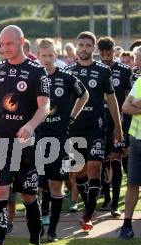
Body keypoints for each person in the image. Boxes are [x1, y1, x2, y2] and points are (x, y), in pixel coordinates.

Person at [0, 25, 50, 245]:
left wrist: (30, 126)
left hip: (27, 145)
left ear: (21, 41)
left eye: (9, 43)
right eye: (1, 44)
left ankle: (33, 244)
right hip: (0, 143)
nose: (4, 48)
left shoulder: (36, 71)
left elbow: (44, 107)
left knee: (29, 196)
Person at [65, 32, 122, 231]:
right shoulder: (69, 71)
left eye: (88, 45)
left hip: (97, 127)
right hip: (74, 128)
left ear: (93, 48)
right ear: (77, 46)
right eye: (80, 44)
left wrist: (118, 126)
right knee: (78, 171)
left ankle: (88, 215)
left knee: (94, 168)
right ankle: (88, 205)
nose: (83, 48)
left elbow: (112, 99)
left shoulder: (103, 71)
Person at [36, 38, 88, 241]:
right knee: (39, 186)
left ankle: (52, 230)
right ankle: (40, 225)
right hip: (38, 138)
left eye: (50, 55)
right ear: (38, 56)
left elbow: (84, 95)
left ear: (56, 56)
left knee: (56, 185)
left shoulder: (66, 77)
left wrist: (72, 117)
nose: (47, 59)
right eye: (43, 55)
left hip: (59, 139)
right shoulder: (34, 78)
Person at [97, 36, 132, 217]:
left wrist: (125, 126)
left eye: (108, 52)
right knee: (102, 162)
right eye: (101, 52)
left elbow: (129, 98)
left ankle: (115, 204)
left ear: (113, 50)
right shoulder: (94, 70)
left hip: (118, 122)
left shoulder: (125, 71)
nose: (105, 56)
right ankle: (107, 198)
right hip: (99, 123)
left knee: (116, 161)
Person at [119, 77, 141, 239]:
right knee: (132, 183)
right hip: (136, 140)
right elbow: (125, 107)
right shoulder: (140, 81)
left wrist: (137, 104)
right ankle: (126, 225)